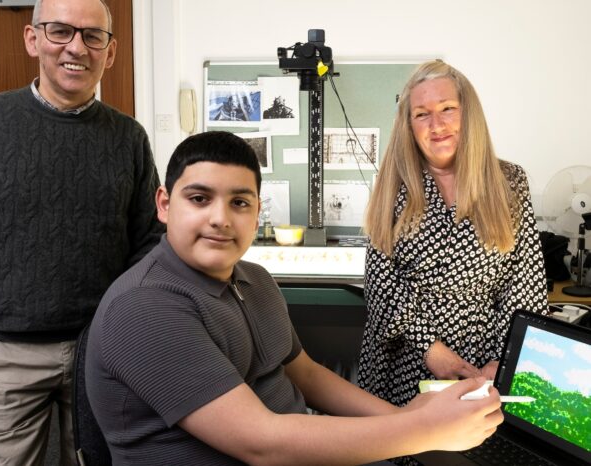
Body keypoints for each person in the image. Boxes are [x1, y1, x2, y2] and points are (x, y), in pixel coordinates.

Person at [85, 130, 503, 465]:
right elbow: (262, 444)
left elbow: (307, 376)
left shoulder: (256, 280)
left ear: (257, 214)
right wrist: (425, 429)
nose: (220, 218)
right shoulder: (143, 307)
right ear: (164, 204)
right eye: (199, 199)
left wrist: (406, 417)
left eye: (239, 202)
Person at [0, 0, 163, 464]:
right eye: (60, 31)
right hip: (2, 354)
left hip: (99, 351)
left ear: (109, 52)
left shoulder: (129, 138)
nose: (76, 48)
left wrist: (131, 334)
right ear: (32, 39)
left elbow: (147, 244)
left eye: (92, 36)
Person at [356, 60, 548, 407]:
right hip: (404, 356)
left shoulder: (509, 182)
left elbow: (525, 283)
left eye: (447, 109)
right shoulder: (393, 185)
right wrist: (430, 348)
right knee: (406, 438)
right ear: (409, 125)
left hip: (483, 359)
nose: (437, 125)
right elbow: (381, 282)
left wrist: (503, 359)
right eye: (422, 114)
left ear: (468, 113)